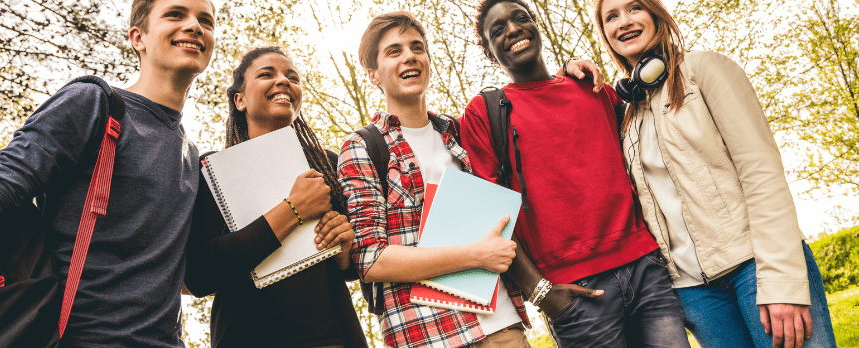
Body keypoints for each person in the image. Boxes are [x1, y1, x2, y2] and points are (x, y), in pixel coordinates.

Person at [0, 0, 214, 346]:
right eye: (176, 14)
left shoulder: (192, 157)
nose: (195, 26)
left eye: (206, 21)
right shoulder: (96, 104)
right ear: (138, 37)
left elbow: (174, 276)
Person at [338, 11, 605, 348]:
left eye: (417, 47)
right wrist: (477, 255)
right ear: (373, 74)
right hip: (427, 334)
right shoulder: (363, 147)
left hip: (502, 325)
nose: (410, 56)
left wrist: (565, 76)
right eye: (394, 51)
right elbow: (370, 260)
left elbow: (537, 128)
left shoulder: (463, 131)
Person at [591, 0, 838, 347]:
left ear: (655, 14)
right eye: (611, 17)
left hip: (756, 267)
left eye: (634, 8)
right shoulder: (630, 113)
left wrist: (781, 279)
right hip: (695, 293)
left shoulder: (704, 69)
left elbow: (760, 171)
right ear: (605, 33)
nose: (624, 22)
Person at [459, 0, 694, 346]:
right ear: (490, 52)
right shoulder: (485, 112)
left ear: (535, 26)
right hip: (575, 296)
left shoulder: (591, 87)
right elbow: (490, 216)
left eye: (520, 18)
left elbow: (646, 149)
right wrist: (541, 294)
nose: (512, 29)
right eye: (497, 30)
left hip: (646, 270)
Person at [183, 46, 368, 348]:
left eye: (292, 77)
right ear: (239, 100)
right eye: (266, 74)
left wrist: (344, 245)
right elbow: (201, 274)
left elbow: (348, 270)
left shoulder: (328, 164)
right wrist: (293, 210)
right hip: (245, 335)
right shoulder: (212, 170)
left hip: (333, 334)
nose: (283, 81)